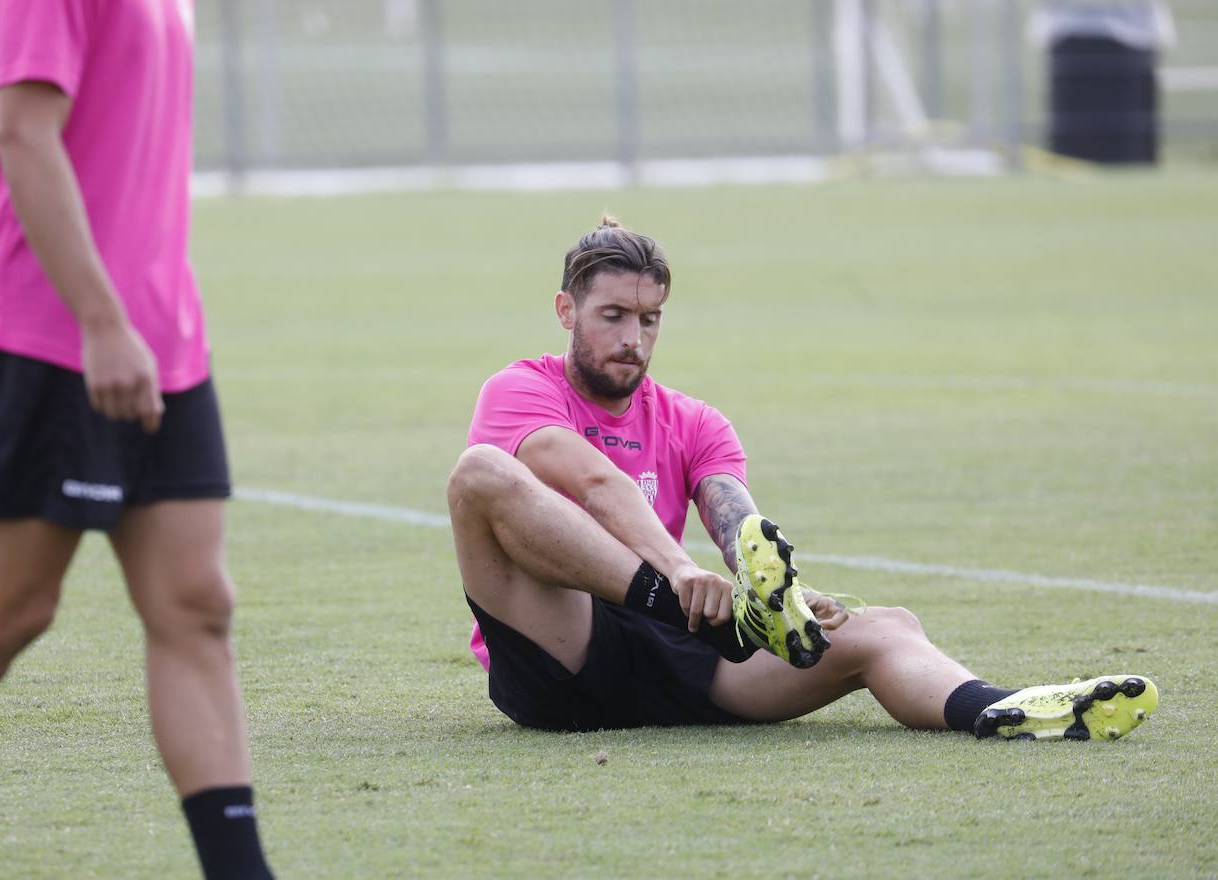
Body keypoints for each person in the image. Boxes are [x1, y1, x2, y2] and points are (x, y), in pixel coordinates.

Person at [0, 3, 323, 880]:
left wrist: (144, 323)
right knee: (13, 607)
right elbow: (25, 136)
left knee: (196, 606)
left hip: (163, 338)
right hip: (46, 330)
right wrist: (102, 323)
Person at [446, 216, 1159, 741]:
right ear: (566, 310)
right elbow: (597, 486)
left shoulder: (697, 422)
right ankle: (686, 608)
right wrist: (676, 572)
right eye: (613, 316)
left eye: (650, 318)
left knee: (887, 627)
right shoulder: (519, 390)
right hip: (561, 652)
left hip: (688, 657)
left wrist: (778, 599)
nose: (634, 338)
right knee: (479, 473)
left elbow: (740, 530)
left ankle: (1006, 710)